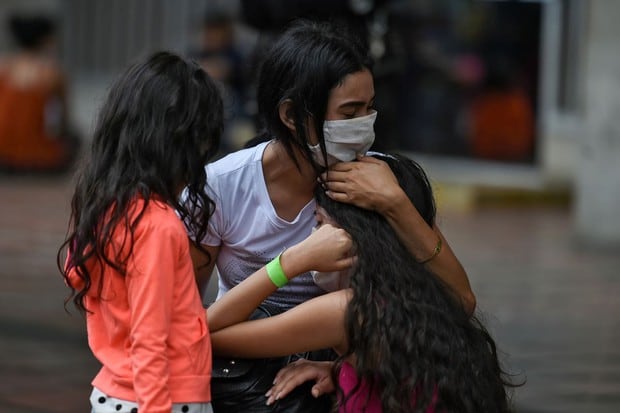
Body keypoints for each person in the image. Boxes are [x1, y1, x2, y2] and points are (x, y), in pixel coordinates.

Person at [190, 19, 476, 410]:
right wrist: (292, 261)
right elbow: (184, 320)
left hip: (346, 372)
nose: (364, 125)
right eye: (349, 112)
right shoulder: (222, 186)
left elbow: (455, 300)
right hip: (246, 374)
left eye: (369, 108)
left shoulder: (378, 182)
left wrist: (396, 204)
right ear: (292, 116)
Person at [207, 154, 515, 412]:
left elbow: (200, 332)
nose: (310, 239)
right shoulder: (427, 298)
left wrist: (290, 262)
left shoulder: (345, 311)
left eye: (319, 224)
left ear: (357, 236)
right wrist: (341, 370)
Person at [57, 51, 224, 413]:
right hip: (162, 398)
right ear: (177, 145)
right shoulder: (158, 226)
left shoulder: (106, 209)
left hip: (115, 392)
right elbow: (150, 337)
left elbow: (75, 272)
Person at [0, 14, 79, 173]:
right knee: (74, 141)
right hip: (40, 155)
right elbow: (63, 121)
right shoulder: (53, 74)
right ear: (45, 40)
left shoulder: (4, 69)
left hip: (3, 151)